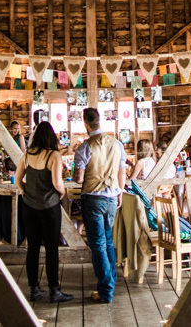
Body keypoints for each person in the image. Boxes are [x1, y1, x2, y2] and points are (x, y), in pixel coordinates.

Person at [15, 122, 72, 303]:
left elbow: (17, 179)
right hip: (49, 208)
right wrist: (62, 193)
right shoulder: (54, 155)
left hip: (29, 207)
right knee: (51, 249)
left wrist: (25, 191)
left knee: (32, 248)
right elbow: (57, 183)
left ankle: (34, 289)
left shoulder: (27, 155)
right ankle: (54, 290)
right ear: (51, 137)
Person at [74, 108, 126, 303]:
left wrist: (78, 173)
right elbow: (122, 172)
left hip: (93, 198)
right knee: (108, 241)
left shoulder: (85, 148)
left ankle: (105, 290)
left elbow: (78, 179)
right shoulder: (117, 144)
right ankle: (110, 282)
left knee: (97, 244)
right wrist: (119, 192)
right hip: (112, 196)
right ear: (100, 121)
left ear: (86, 124)